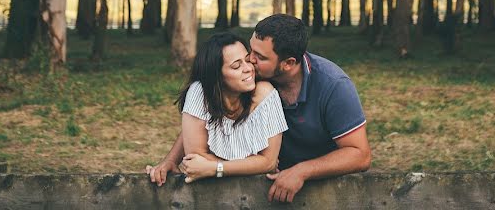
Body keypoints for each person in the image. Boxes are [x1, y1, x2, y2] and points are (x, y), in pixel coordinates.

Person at [147, 15, 371, 203]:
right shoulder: (255, 77)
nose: (250, 61)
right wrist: (172, 159)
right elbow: (207, 115)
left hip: (317, 186)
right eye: (250, 50)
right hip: (257, 178)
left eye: (259, 57)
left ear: (288, 63)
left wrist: (302, 170)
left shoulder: (333, 86)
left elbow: (360, 155)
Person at [145, 32, 288, 184]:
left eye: (247, 60)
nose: (248, 69)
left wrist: (215, 168)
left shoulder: (265, 93)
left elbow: (269, 162)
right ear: (217, 76)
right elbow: (195, 158)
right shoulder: (200, 92)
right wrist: (252, 164)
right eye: (236, 66)